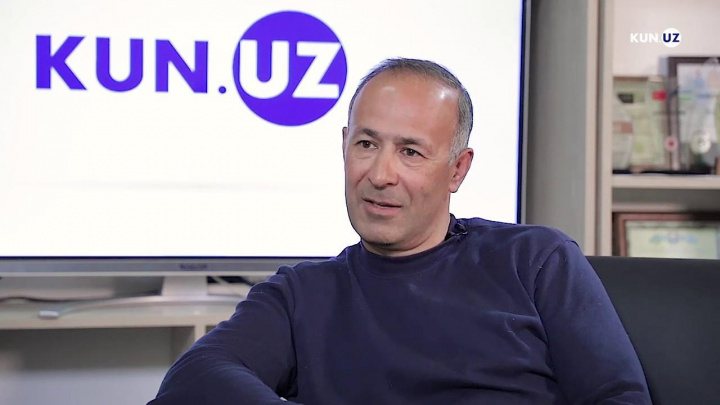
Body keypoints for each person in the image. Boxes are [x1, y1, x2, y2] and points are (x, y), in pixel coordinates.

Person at [150, 58, 651, 404]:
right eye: (366, 144)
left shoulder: (536, 260)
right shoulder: (301, 293)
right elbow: (195, 377)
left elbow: (619, 398)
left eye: (410, 152)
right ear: (344, 146)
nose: (380, 174)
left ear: (458, 169)